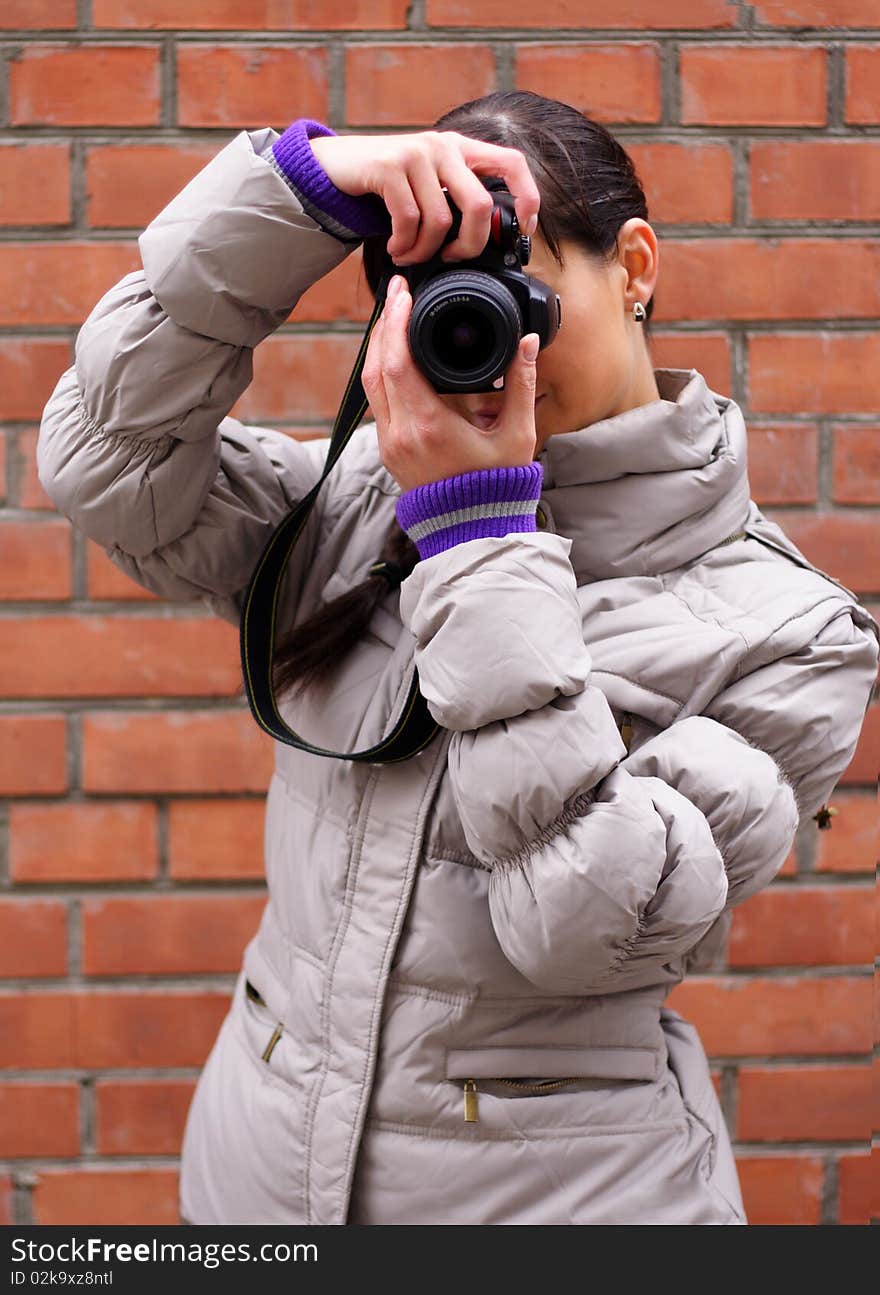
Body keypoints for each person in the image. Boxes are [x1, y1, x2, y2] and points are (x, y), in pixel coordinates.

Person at [37, 91, 878, 1226]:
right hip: (255, 1188)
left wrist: (481, 532)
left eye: (517, 287)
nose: (489, 336)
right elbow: (104, 459)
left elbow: (584, 924)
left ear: (633, 265)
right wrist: (289, 193)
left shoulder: (788, 631)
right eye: (432, 295)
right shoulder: (352, 510)